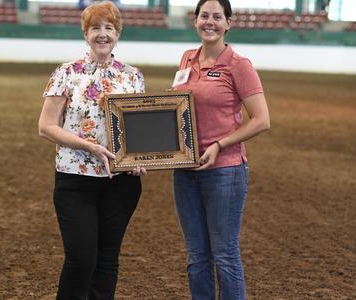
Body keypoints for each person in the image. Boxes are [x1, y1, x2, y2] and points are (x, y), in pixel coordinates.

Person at [38, 2, 146, 299]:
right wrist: (87, 145)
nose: (102, 34)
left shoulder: (132, 76)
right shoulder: (67, 73)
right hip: (75, 179)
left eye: (109, 28)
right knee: (82, 259)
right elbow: (46, 126)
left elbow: (135, 130)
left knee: (107, 260)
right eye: (96, 28)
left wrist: (138, 158)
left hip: (121, 183)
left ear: (117, 33)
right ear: (85, 34)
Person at [172, 0, 270, 299]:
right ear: (195, 20)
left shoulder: (239, 65)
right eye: (204, 16)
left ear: (228, 23)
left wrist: (219, 144)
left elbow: (262, 120)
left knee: (224, 255)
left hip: (224, 171)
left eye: (217, 17)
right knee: (196, 256)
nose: (209, 22)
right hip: (185, 171)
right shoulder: (187, 58)